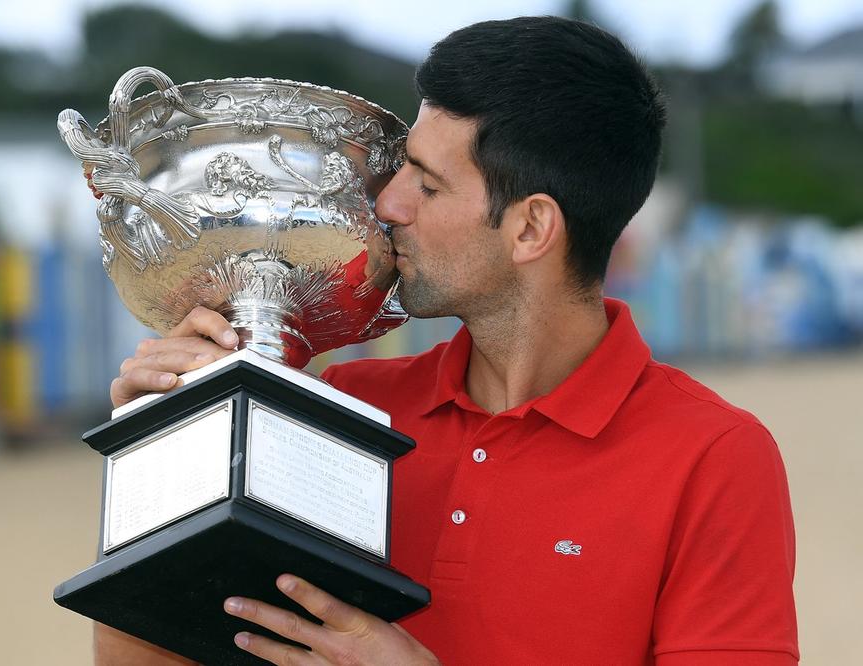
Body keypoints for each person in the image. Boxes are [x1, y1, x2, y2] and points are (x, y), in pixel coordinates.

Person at [97, 16, 798, 665]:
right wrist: (160, 457)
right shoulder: (340, 410)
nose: (389, 204)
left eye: (428, 186)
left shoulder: (713, 459)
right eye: (402, 167)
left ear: (530, 229)